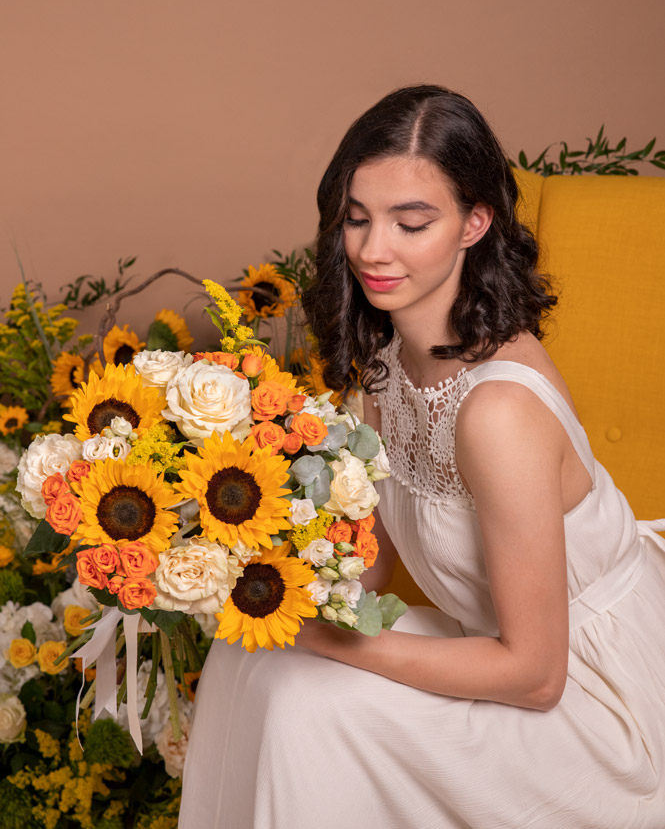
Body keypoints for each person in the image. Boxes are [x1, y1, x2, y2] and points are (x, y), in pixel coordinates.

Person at [179, 85, 665, 828]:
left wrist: (325, 637)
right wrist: (218, 550)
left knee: (306, 700)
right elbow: (364, 572)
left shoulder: (497, 410)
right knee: (250, 650)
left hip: (601, 702)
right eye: (357, 218)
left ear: (475, 222)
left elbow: (534, 675)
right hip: (500, 652)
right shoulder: (384, 369)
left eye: (411, 223)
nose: (374, 250)